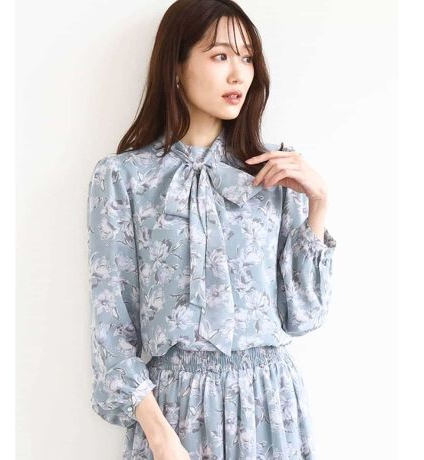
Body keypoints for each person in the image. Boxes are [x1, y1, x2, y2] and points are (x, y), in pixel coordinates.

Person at [86, 1, 337, 459]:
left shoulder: (275, 171)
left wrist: (318, 203)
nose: (239, 74)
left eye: (247, 58)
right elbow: (112, 327)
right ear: (176, 67)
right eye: (221, 56)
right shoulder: (124, 178)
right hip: (175, 414)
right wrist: (160, 437)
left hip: (269, 406)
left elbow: (304, 316)